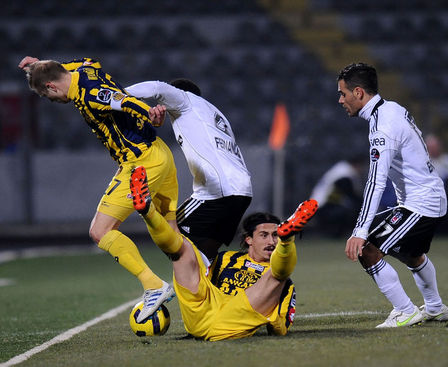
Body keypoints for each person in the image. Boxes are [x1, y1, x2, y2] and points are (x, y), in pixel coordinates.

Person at [18, 56, 177, 322]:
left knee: (100, 231)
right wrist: (39, 65)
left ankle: (153, 285)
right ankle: (197, 294)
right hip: (160, 153)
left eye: (47, 95)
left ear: (51, 87)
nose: (51, 100)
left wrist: (149, 113)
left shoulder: (89, 94)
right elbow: (88, 60)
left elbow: (121, 100)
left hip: (141, 164)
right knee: (171, 235)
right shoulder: (85, 70)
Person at [130, 165, 318, 340]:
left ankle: (288, 239)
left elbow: (279, 327)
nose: (271, 241)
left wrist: (269, 306)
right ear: (248, 239)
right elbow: (199, 278)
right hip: (204, 308)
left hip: (236, 314)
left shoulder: (280, 281)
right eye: (264, 235)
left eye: (276, 236)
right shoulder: (225, 259)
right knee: (182, 250)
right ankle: (147, 210)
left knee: (277, 276)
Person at [337, 62, 448, 328]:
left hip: (422, 203)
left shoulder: (382, 128)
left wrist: (360, 230)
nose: (340, 100)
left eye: (343, 93)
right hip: (424, 197)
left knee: (367, 250)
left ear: (358, 92)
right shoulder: (392, 107)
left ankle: (406, 311)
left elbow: (375, 182)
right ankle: (435, 308)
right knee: (411, 254)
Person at [125, 79, 252, 261]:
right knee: (205, 251)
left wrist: (117, 95)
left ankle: (194, 284)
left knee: (169, 232)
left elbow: (157, 87)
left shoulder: (185, 99)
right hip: (242, 190)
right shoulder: (214, 113)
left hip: (218, 190)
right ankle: (213, 284)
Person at [310, 157, 363, 237]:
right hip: (322, 208)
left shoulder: (340, 170)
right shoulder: (345, 174)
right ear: (357, 165)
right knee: (350, 212)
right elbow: (351, 195)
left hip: (321, 206)